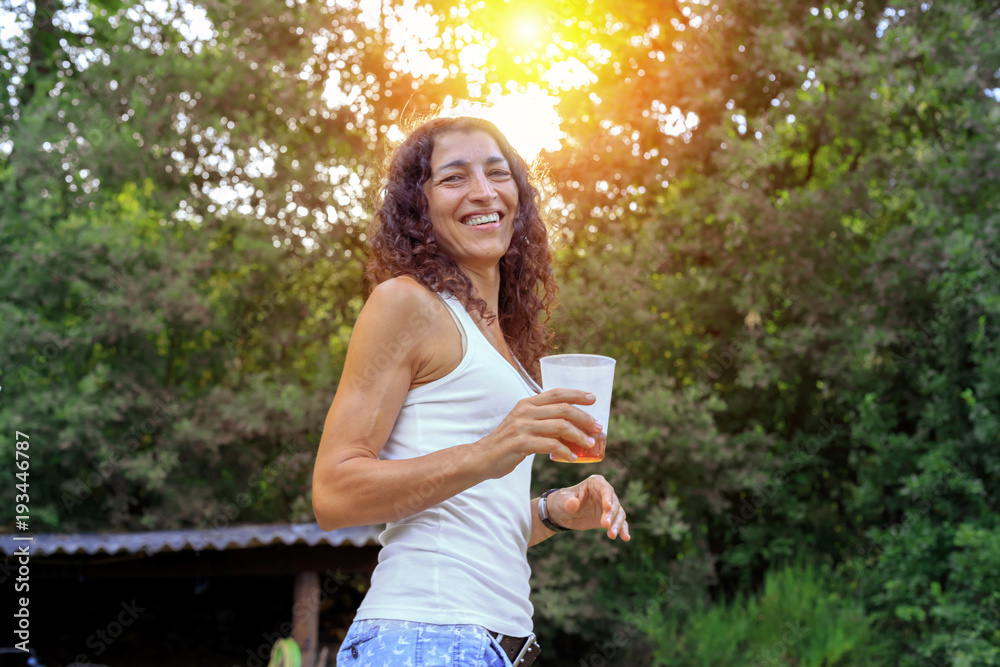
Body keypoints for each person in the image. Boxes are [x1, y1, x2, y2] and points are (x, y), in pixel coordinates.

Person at [312, 115, 631, 667]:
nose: (483, 191)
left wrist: (553, 511)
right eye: (454, 177)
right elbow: (334, 495)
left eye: (497, 173)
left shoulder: (501, 336)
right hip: (423, 637)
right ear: (419, 206)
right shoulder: (406, 303)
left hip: (493, 645)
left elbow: (463, 519)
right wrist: (491, 450)